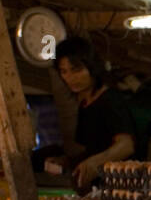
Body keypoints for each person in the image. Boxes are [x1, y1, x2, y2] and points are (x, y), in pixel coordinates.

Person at [53, 37, 140, 188]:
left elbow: (127, 145)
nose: (70, 78)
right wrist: (67, 161)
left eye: (76, 70)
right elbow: (93, 149)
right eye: (64, 71)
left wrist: (95, 162)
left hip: (124, 186)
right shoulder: (85, 104)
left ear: (92, 67)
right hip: (100, 188)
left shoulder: (111, 100)